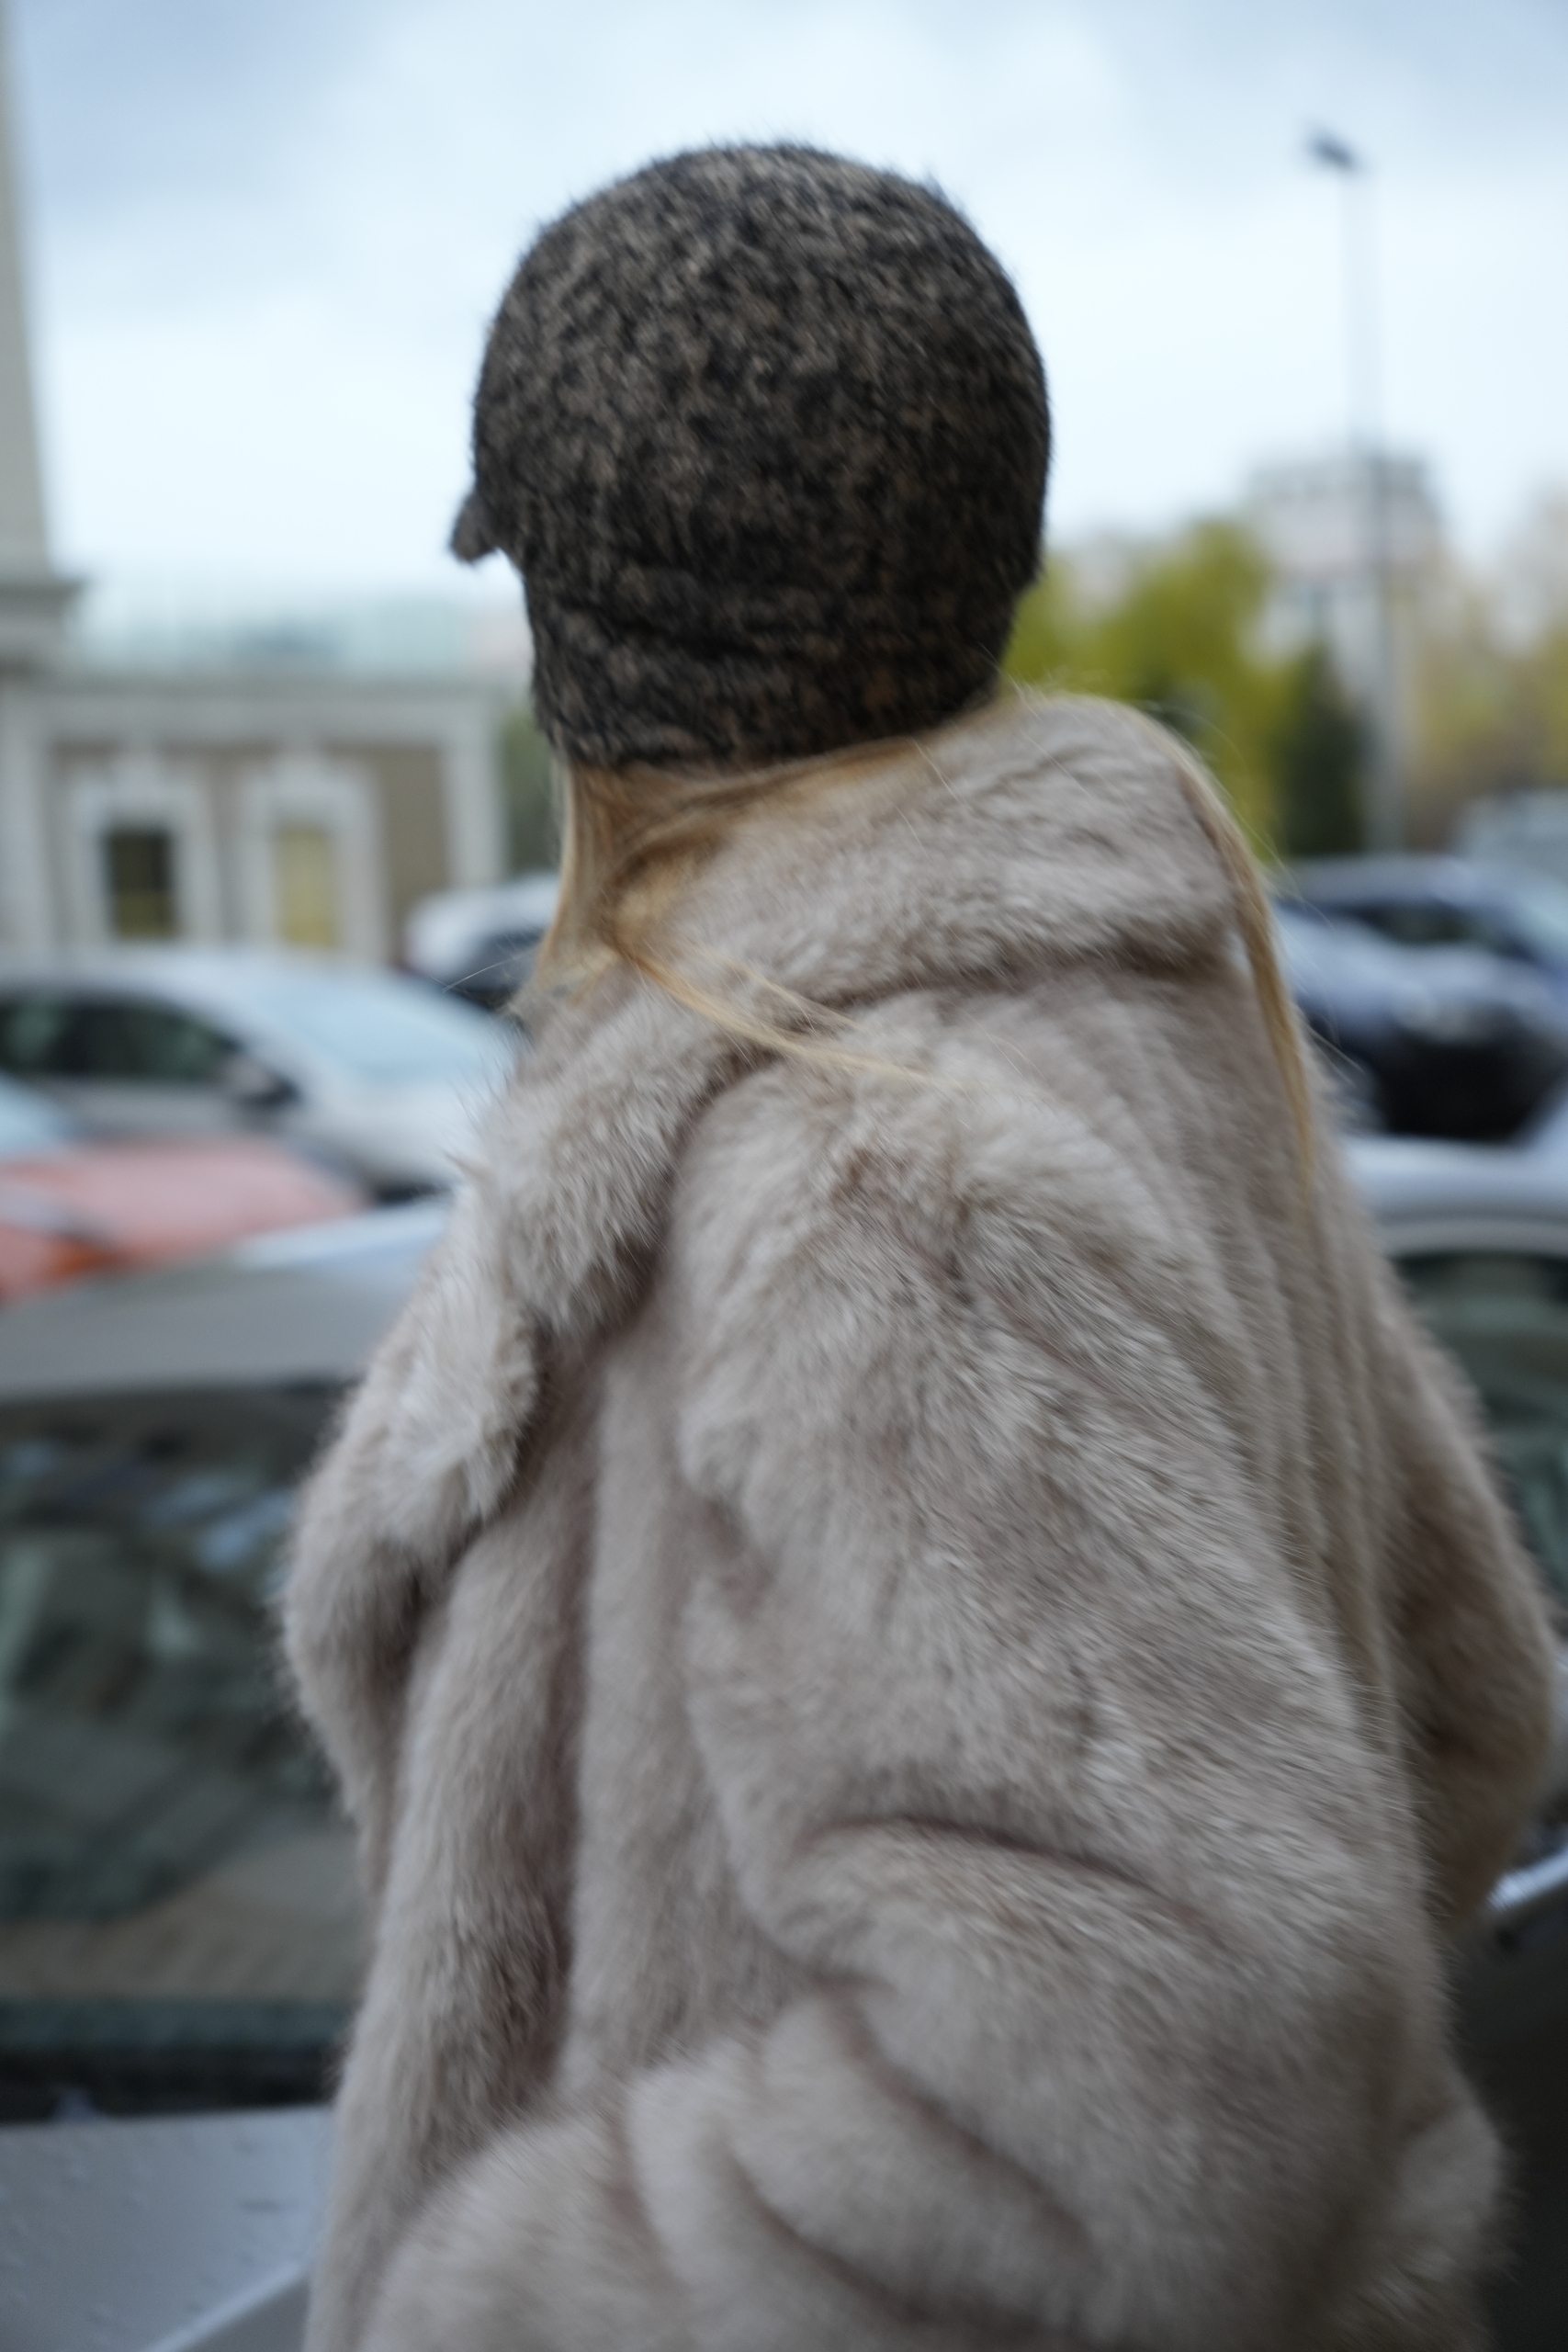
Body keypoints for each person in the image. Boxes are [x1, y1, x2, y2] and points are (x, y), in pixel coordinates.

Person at [285, 145, 1555, 2352]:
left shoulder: (872, 1179)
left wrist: (508, 2295)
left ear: (576, 645)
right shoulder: (1112, 1032)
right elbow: (1461, 1705)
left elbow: (1160, 2071)